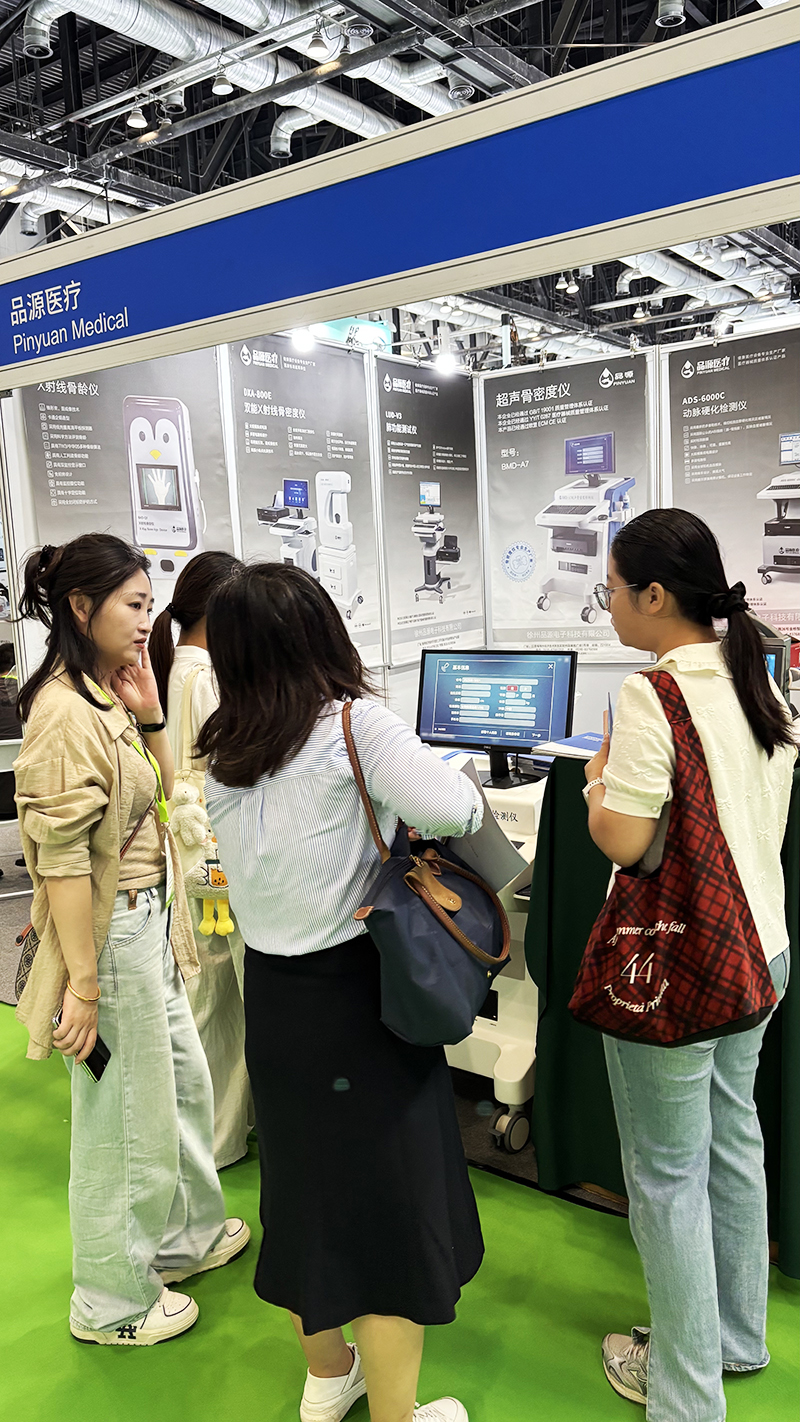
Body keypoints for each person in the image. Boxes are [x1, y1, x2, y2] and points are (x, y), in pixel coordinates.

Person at [202, 562, 485, 1422]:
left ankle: (329, 1378)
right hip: (360, 1003)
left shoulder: (224, 747)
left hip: (275, 998)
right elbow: (457, 811)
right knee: (389, 1213)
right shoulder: (353, 725)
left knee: (306, 1196)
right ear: (322, 632)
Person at [582, 509, 796, 1422]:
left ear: (655, 595)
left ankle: (684, 1393)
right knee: (733, 1143)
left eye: (613, 590)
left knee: (667, 1178)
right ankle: (736, 1339)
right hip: (761, 954)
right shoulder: (759, 680)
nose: (608, 605)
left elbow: (626, 841)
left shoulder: (653, 695)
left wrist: (596, 778)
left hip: (679, 969)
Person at [13, 534, 249, 1347]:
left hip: (150, 920)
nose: (149, 620)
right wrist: (83, 985)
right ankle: (109, 1301)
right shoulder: (61, 712)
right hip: (109, 939)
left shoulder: (108, 692)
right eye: (135, 604)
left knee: (180, 1089)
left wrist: (149, 713)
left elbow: (163, 794)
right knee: (121, 1118)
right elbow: (63, 860)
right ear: (82, 608)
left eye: (151, 604)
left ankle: (181, 1239)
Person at [149, 550, 252, 1169]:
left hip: (186, 846)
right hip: (212, 847)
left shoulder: (169, 665)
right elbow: (233, 762)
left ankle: (214, 1132)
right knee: (222, 993)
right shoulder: (206, 673)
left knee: (205, 988)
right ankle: (218, 1137)